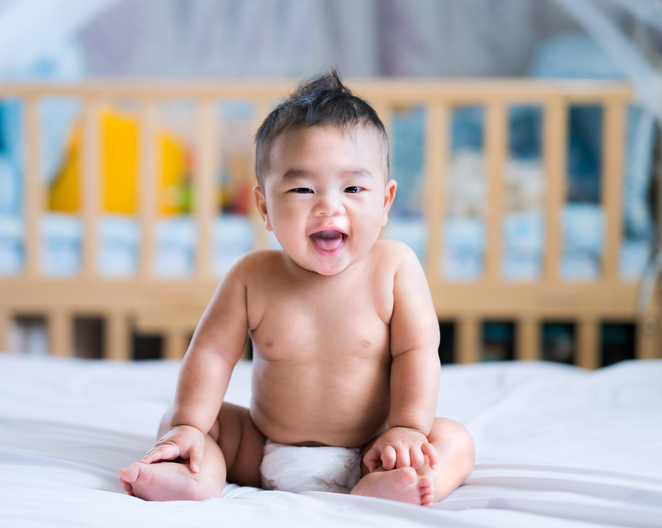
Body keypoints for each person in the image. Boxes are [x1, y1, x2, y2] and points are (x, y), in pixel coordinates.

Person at [119, 70, 475, 507]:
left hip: (374, 450)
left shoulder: (394, 266)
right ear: (265, 207)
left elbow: (417, 353)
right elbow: (211, 353)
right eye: (303, 188)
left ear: (385, 202)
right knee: (185, 424)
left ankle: (389, 486)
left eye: (353, 187)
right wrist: (190, 425)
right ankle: (195, 477)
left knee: (453, 439)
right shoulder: (251, 276)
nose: (329, 205)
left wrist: (406, 427)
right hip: (262, 447)